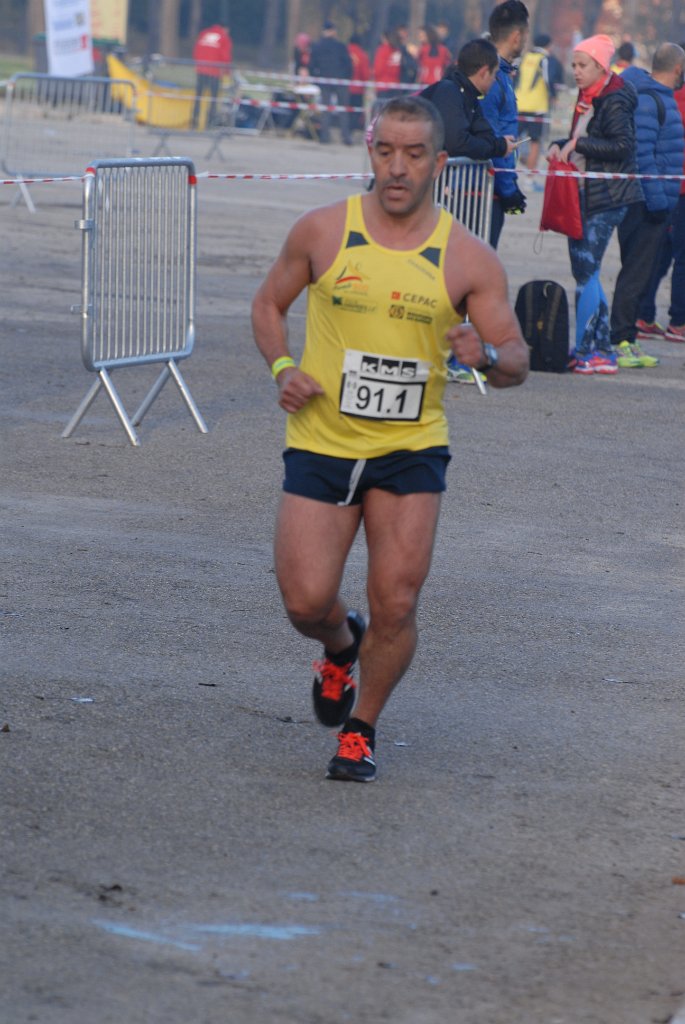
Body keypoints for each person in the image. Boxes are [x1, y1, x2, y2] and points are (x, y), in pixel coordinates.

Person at [251, 95, 529, 783]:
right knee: (304, 601)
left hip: (411, 449)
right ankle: (339, 644)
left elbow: (517, 359)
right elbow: (268, 304)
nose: (397, 168)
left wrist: (488, 357)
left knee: (397, 603)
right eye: (385, 152)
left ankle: (360, 729)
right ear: (370, 153)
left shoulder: (467, 258)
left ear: (439, 163)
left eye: (413, 154)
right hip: (322, 439)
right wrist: (283, 367)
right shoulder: (322, 231)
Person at [420, 39, 518, 385]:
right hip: (424, 198)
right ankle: (435, 353)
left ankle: (448, 352)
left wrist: (495, 145)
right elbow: (458, 142)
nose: (495, 83)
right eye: (495, 76)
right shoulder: (450, 93)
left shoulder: (468, 96)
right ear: (484, 72)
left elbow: (483, 135)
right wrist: (496, 147)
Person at [547, 34, 642, 375]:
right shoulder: (588, 95)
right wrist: (562, 143)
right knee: (587, 273)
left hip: (608, 196)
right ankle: (600, 348)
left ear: (601, 67)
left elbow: (622, 145)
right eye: (574, 64)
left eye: (582, 65)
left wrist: (577, 145)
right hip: (586, 193)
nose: (575, 71)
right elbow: (584, 139)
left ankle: (588, 349)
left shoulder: (614, 98)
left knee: (586, 272)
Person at [609, 42, 685, 367]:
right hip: (645, 203)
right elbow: (642, 156)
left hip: (654, 201)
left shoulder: (657, 96)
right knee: (634, 273)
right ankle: (620, 341)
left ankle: (628, 338)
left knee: (640, 274)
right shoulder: (651, 99)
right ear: (678, 69)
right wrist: (658, 201)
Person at [637, 59, 685, 343]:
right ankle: (679, 322)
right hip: (679, 188)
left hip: (667, 188)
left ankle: (643, 315)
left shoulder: (667, 95)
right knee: (681, 258)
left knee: (661, 254)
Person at [479, 0, 530, 248]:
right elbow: (491, 137)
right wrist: (508, 189)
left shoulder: (503, 75)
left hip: (494, 188)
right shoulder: (490, 78)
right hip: (483, 192)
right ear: (517, 36)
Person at [309, 21, 354, 146]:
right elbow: (348, 64)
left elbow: (312, 65)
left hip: (324, 81)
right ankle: (345, 137)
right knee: (343, 110)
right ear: (333, 31)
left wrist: (316, 79)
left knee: (326, 110)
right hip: (341, 81)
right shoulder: (340, 46)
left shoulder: (317, 46)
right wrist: (347, 78)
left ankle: (325, 136)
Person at [516, 34, 555, 173]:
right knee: (535, 141)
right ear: (548, 45)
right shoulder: (544, 59)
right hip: (537, 106)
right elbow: (548, 79)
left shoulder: (524, 58)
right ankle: (530, 175)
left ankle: (514, 164)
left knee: (514, 138)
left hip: (519, 103)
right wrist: (553, 95)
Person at [191, 23, 232, 130]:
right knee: (213, 99)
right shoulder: (224, 37)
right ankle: (209, 122)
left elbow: (196, 50)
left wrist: (198, 65)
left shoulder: (204, 33)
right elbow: (225, 56)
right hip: (214, 72)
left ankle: (194, 121)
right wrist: (227, 71)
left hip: (201, 70)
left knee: (198, 97)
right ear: (225, 29)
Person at [347, 34, 370, 133]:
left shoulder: (345, 51)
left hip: (344, 88)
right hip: (358, 89)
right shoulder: (362, 54)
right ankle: (353, 130)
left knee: (344, 110)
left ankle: (345, 129)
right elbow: (365, 74)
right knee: (356, 111)